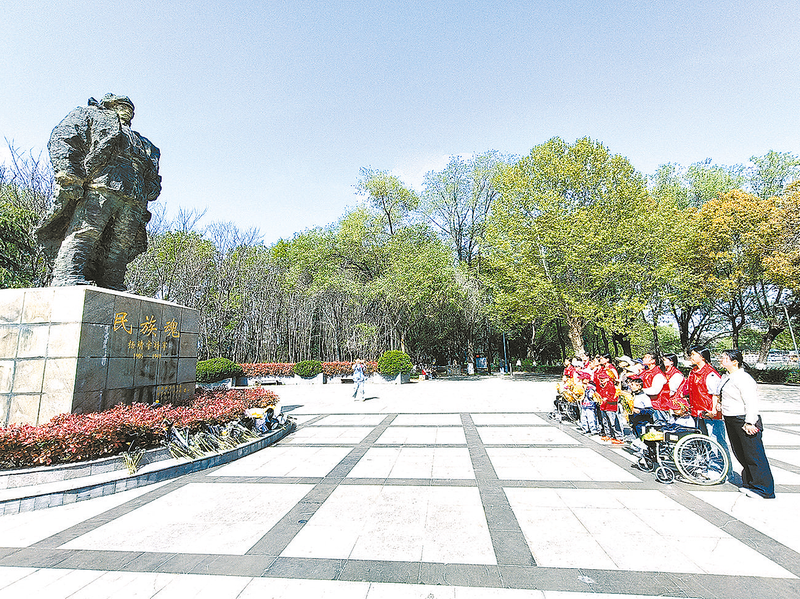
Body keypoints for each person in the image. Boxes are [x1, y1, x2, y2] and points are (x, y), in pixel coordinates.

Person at [36, 94, 161, 290]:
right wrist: (69, 174)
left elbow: (153, 175)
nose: (128, 110)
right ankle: (67, 274)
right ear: (109, 105)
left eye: (130, 108)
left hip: (134, 197)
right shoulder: (91, 116)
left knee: (122, 242)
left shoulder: (144, 143)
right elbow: (64, 138)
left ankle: (112, 281)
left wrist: (152, 187)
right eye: (121, 105)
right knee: (86, 231)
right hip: (100, 186)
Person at [714, 349, 775, 499]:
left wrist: (750, 422)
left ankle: (764, 489)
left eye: (725, 358)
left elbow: (751, 402)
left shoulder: (744, 378)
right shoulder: (727, 377)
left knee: (754, 454)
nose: (721, 360)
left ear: (735, 362)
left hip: (744, 420)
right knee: (741, 453)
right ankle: (750, 483)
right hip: (731, 418)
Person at [685, 347, 731, 468]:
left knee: (716, 442)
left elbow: (716, 394)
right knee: (704, 441)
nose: (691, 357)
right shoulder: (693, 372)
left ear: (702, 357)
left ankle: (723, 470)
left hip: (710, 413)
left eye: (693, 354)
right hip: (697, 412)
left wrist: (713, 409)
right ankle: (709, 466)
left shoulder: (710, 373)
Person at [594, 354, 624, 444]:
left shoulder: (611, 369)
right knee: (605, 420)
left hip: (610, 401)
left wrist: (608, 397)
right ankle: (608, 434)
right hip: (602, 400)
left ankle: (618, 436)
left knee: (613, 420)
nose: (600, 360)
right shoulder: (602, 370)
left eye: (602, 358)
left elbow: (616, 383)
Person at [640, 353, 668, 424]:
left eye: (646, 357)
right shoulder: (645, 373)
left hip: (657, 406)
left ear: (653, 361)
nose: (643, 359)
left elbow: (655, 390)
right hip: (647, 405)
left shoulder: (658, 374)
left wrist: (640, 390)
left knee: (658, 427)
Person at [658, 353, 685, 423]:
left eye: (664, 360)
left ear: (671, 362)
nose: (662, 362)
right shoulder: (662, 373)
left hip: (674, 405)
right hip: (663, 403)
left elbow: (670, 391)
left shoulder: (676, 375)